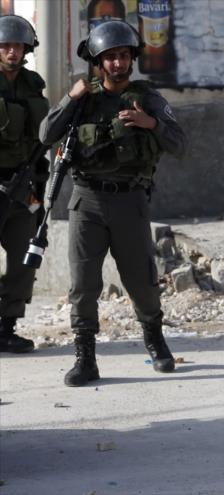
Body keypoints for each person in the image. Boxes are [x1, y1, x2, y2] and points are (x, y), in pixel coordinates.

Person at [38, 20, 186, 386]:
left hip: (130, 201)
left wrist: (149, 123)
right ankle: (85, 357)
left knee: (141, 281)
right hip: (86, 200)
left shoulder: (147, 98)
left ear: (132, 59)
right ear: (98, 62)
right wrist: (70, 98)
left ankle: (155, 340)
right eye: (110, 58)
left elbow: (180, 144)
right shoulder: (83, 98)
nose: (118, 64)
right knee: (83, 285)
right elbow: (45, 135)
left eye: (124, 56)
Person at [0, 15, 49, 353]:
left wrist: (41, 189)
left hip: (21, 183)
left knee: (23, 259)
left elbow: (40, 140)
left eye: (18, 46)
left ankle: (6, 326)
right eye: (5, 46)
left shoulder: (33, 83)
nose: (12, 52)